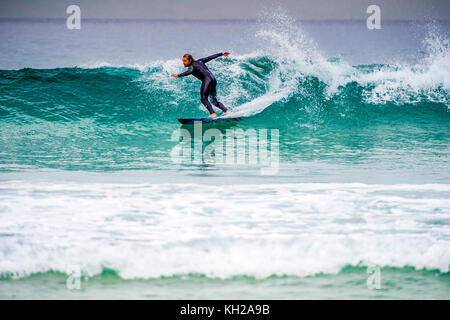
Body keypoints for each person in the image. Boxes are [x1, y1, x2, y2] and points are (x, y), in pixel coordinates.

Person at [171, 52, 231, 118]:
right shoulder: (200, 61)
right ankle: (227, 112)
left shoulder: (191, 66)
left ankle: (212, 114)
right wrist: (221, 54)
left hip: (207, 80)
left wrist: (178, 75)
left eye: (185, 61)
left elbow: (189, 71)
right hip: (213, 79)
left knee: (203, 98)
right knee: (214, 101)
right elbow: (209, 57)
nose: (183, 62)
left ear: (190, 60)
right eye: (183, 61)